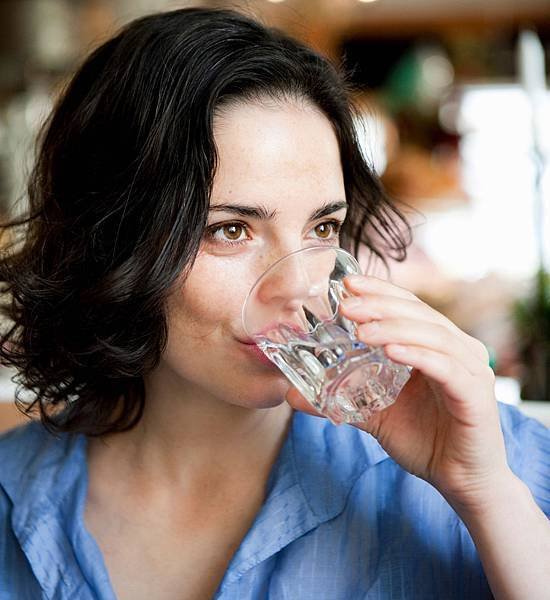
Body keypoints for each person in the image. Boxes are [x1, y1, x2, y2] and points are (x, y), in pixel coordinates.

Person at [0, 7, 548, 600]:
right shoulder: (14, 495)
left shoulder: (492, 460)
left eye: (322, 228)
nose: (300, 287)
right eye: (230, 230)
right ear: (111, 240)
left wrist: (486, 493)